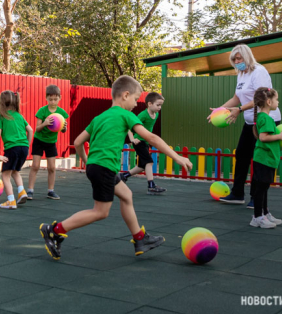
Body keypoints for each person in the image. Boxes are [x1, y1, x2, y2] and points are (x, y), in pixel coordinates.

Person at [39, 76, 193, 260]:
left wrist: (87, 162)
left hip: (99, 167)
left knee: (126, 195)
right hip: (104, 168)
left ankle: (140, 239)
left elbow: (78, 142)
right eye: (135, 99)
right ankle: (54, 230)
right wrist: (177, 157)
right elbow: (151, 138)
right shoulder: (126, 115)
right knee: (100, 212)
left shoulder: (99, 117)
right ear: (125, 95)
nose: (136, 104)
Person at [209, 44, 281, 208]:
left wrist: (240, 110)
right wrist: (219, 110)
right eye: (234, 59)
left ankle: (256, 198)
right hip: (251, 121)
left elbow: (261, 98)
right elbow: (236, 98)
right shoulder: (241, 74)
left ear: (247, 56)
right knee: (242, 155)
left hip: (266, 120)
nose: (236, 62)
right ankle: (237, 194)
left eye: (239, 58)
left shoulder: (259, 72)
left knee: (260, 159)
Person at [0, 91, 33, 209]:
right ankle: (22, 191)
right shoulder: (19, 116)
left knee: (5, 175)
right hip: (24, 148)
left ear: (2, 103)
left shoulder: (2, 117)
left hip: (12, 148)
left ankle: (11, 201)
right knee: (15, 171)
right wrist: (27, 145)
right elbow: (30, 130)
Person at [249, 87, 282, 228]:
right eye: (276, 99)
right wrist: (280, 136)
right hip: (264, 159)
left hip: (265, 159)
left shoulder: (262, 117)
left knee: (263, 187)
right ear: (268, 102)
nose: (278, 102)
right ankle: (257, 217)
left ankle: (264, 213)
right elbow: (263, 137)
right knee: (261, 188)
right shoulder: (266, 118)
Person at [27, 84, 69, 200]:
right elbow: (37, 129)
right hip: (39, 140)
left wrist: (64, 127)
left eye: (55, 99)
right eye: (50, 99)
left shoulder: (61, 113)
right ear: (46, 98)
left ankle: (51, 191)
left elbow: (63, 130)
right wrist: (45, 123)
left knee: (52, 167)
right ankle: (30, 191)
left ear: (60, 98)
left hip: (51, 142)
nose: (53, 102)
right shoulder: (42, 111)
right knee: (35, 166)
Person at [121, 92, 165, 194]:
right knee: (149, 162)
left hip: (145, 141)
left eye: (161, 105)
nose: (160, 107)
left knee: (141, 166)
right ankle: (151, 186)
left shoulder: (156, 114)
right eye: (158, 105)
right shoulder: (143, 115)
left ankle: (123, 176)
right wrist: (132, 139)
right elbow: (129, 126)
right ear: (149, 104)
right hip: (138, 141)